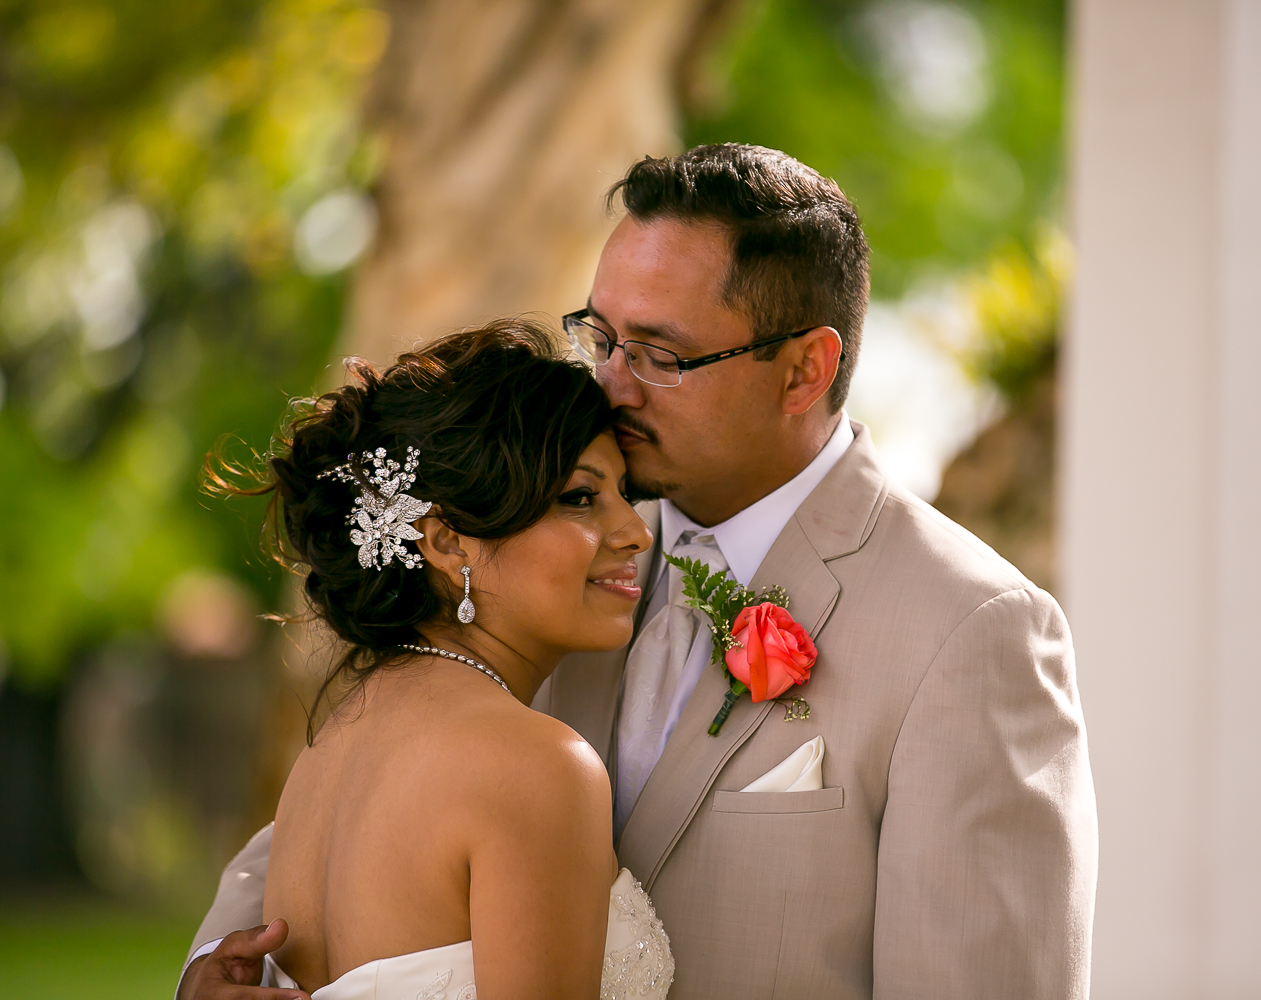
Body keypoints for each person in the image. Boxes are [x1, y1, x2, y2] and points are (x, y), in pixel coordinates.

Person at [182, 143, 1097, 1000]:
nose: (612, 384)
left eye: (660, 355)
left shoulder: (969, 632)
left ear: (805, 370)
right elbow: (360, 804)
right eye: (600, 337)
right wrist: (214, 969)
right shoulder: (535, 557)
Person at [192, 320, 673, 1000]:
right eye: (579, 497)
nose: (633, 531)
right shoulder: (535, 765)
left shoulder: (324, 759)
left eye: (628, 494)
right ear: (448, 543)